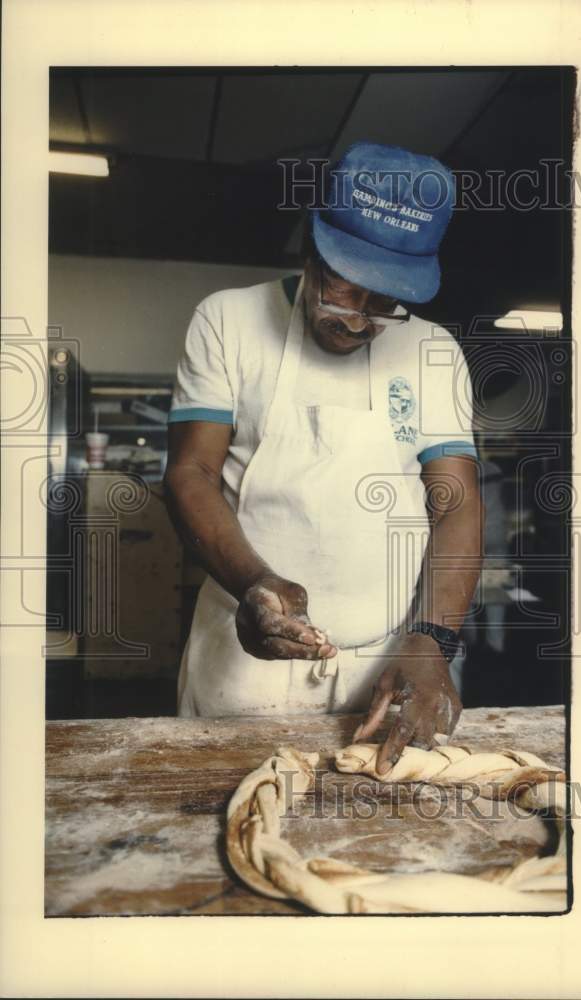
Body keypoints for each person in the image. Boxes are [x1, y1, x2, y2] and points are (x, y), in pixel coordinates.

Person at [164, 142, 483, 775]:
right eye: (346, 291)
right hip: (244, 659)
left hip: (390, 663)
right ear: (312, 248)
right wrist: (255, 585)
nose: (361, 322)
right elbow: (190, 473)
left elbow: (458, 501)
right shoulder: (227, 320)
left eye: (387, 303)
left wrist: (433, 638)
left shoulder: (433, 351)